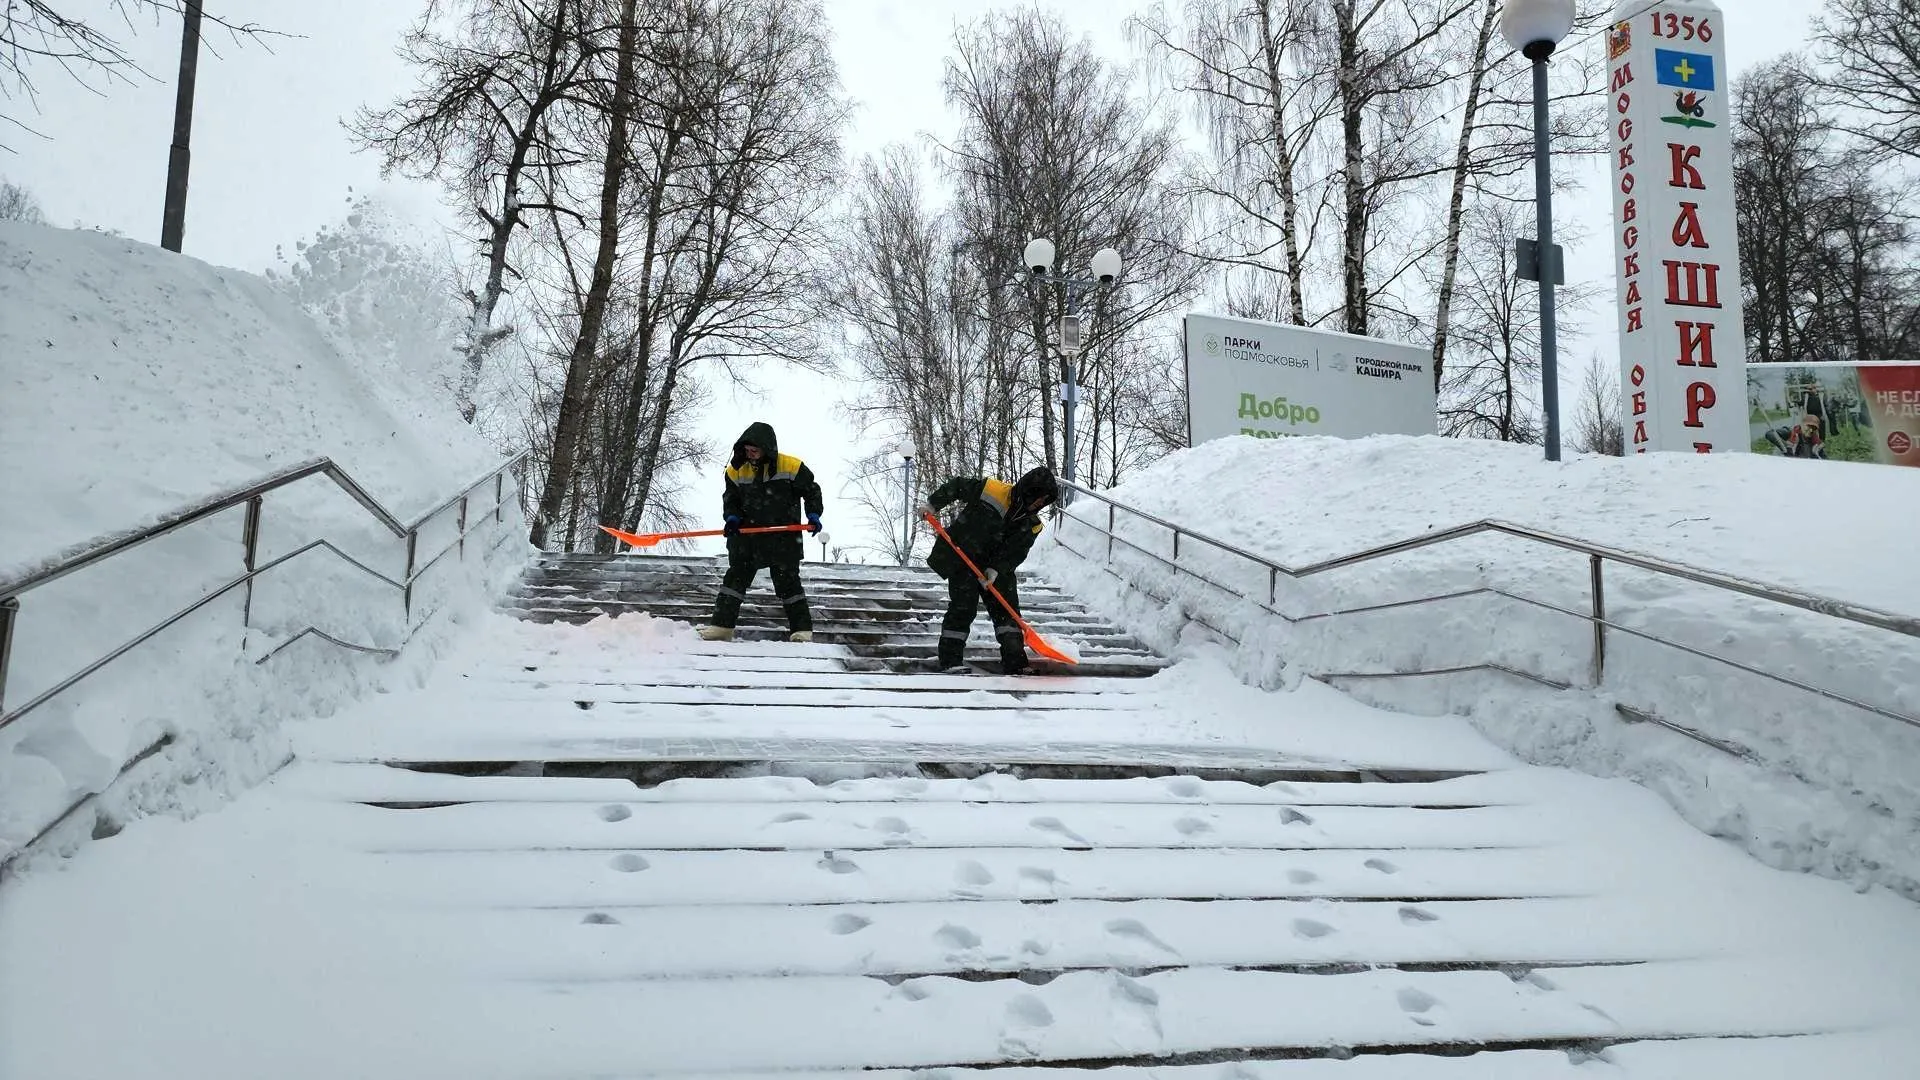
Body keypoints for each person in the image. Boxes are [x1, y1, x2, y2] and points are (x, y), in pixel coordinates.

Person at [918, 465, 1059, 675]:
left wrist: (995, 570)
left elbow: (1016, 552)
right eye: (1039, 497)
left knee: (1008, 613)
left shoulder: (1033, 525)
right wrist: (932, 504)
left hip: (996, 567)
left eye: (1044, 501)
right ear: (1028, 489)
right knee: (963, 607)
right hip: (964, 555)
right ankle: (950, 660)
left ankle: (1016, 663)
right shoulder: (991, 491)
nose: (1040, 503)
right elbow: (957, 486)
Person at [697, 422, 823, 642]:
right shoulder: (736, 470)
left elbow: (811, 490)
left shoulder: (791, 466)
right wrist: (732, 518)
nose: (750, 454)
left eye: (754, 449)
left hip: (782, 535)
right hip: (747, 536)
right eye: (746, 450)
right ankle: (722, 627)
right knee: (734, 580)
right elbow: (731, 499)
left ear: (767, 447)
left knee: (788, 582)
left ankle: (802, 630)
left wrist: (813, 514)